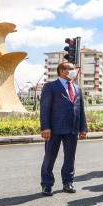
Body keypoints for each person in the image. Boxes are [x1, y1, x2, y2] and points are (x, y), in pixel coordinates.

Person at [39, 62, 87, 196]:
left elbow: (80, 109)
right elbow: (45, 108)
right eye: (70, 69)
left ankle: (68, 182)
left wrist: (83, 128)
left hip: (72, 128)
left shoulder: (77, 88)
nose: (74, 71)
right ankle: (47, 184)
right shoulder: (50, 86)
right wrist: (45, 127)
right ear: (61, 71)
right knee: (50, 157)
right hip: (54, 129)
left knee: (70, 157)